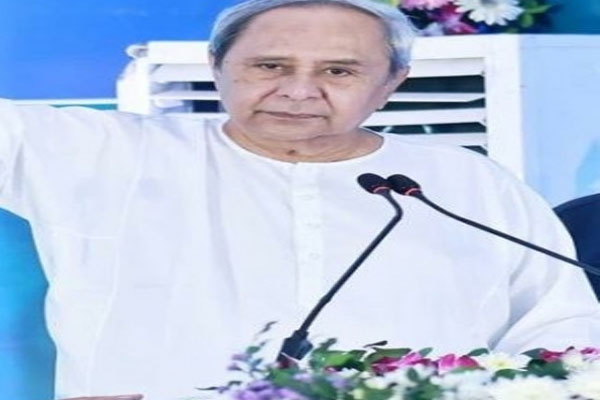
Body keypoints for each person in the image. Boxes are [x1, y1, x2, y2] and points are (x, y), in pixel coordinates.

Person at [1, 0, 599, 399]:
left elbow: (560, 330)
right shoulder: (104, 154)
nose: (298, 91)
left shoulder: (468, 184)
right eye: (269, 66)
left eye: (339, 72)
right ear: (216, 65)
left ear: (391, 83)